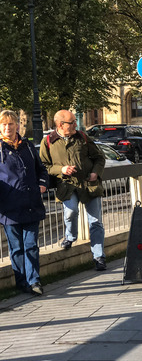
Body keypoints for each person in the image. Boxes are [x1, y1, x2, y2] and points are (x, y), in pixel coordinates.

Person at [40, 110, 107, 271]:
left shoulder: (82, 137)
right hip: (67, 186)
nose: (76, 124)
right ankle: (70, 237)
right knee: (70, 213)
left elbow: (99, 157)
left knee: (95, 221)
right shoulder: (48, 141)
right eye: (72, 122)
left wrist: (95, 172)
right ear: (60, 125)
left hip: (88, 185)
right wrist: (61, 169)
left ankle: (99, 257)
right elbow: (44, 166)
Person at [0, 110, 48, 294]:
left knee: (31, 245)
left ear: (17, 126)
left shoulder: (27, 146)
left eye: (11, 124)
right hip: (9, 208)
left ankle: (34, 281)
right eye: (4, 124)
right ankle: (21, 282)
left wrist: (42, 184)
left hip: (31, 204)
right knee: (17, 248)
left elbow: (41, 170)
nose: (7, 127)